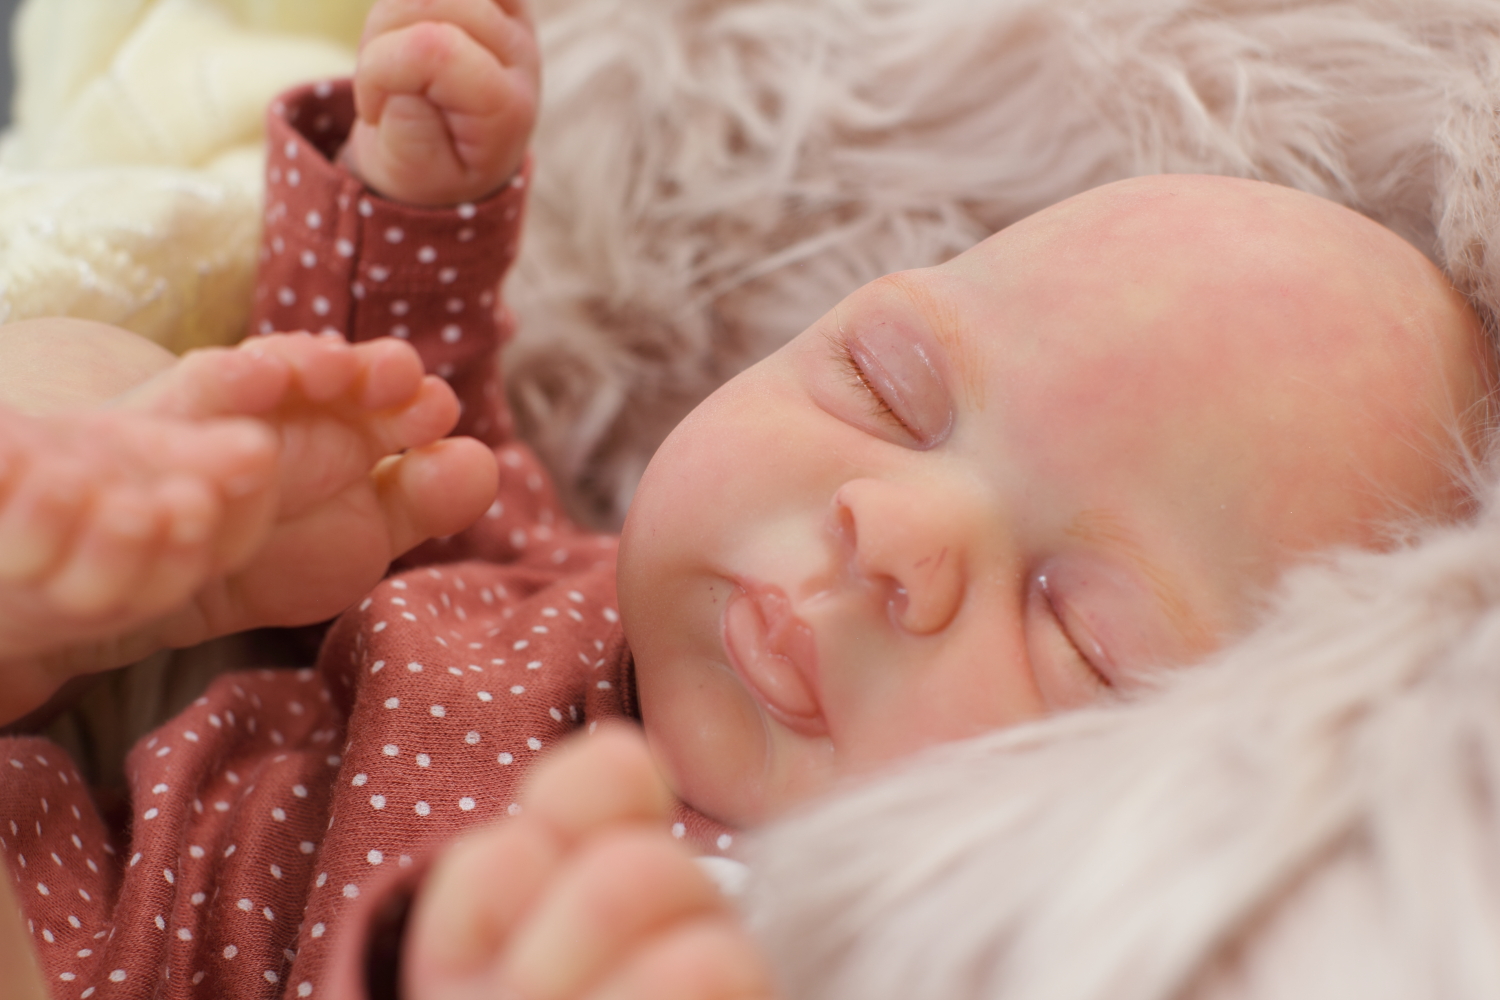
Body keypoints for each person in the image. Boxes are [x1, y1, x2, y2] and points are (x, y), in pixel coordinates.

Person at [0, 1, 1493, 998]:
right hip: (72, 856)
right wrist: (419, 204)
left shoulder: (835, 949)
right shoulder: (568, 579)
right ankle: (62, 583)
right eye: (889, 389)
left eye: (1079, 633)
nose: (891, 528)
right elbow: (409, 448)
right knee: (106, 381)